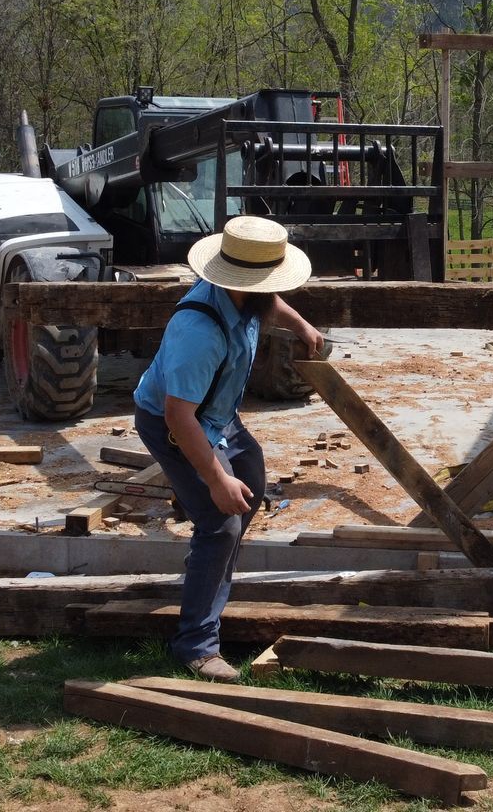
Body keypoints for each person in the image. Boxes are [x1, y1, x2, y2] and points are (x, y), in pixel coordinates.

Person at [134, 216, 324, 682]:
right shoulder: (198, 331)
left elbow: (271, 302)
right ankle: (196, 643)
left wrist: (301, 325)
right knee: (221, 522)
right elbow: (179, 418)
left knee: (252, 484)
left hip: (216, 417)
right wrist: (216, 480)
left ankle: (210, 579)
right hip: (175, 423)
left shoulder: (249, 297)